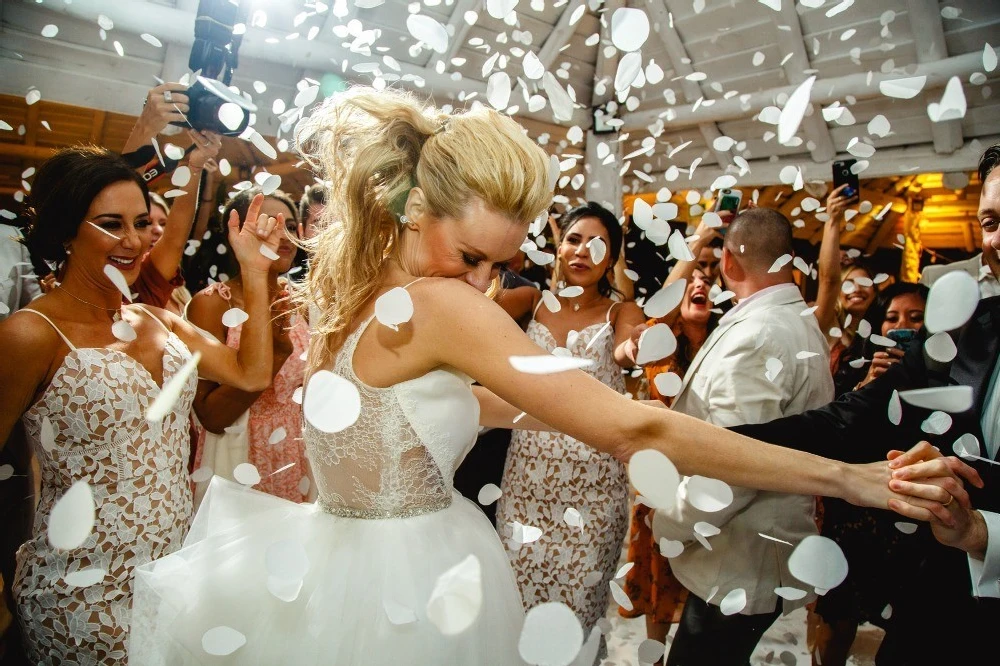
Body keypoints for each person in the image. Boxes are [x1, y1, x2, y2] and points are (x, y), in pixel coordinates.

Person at [127, 88, 965, 666]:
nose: (484, 283)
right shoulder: (436, 305)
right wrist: (850, 477)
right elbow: (636, 431)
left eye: (498, 263)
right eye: (471, 256)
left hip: (336, 557)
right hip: (410, 577)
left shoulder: (358, 293)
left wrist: (565, 407)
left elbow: (446, 411)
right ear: (417, 212)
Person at [0, 145, 284, 665]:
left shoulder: (158, 320)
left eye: (138, 222)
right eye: (111, 224)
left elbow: (252, 373)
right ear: (66, 230)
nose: (133, 241)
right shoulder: (31, 333)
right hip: (80, 587)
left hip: (169, 579)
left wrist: (256, 271)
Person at [731, 143, 1000, 665]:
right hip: (935, 613)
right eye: (991, 221)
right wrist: (709, 441)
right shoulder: (974, 330)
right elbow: (846, 422)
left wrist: (983, 533)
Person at [651, 208, 834, 666]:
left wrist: (668, 523)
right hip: (753, 547)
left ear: (729, 263)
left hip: (738, 557)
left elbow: (736, 466)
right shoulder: (794, 319)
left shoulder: (759, 334)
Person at [494, 201, 646, 652]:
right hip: (525, 487)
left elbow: (625, 353)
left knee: (576, 615)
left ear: (611, 257)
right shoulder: (528, 302)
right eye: (574, 239)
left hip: (594, 496)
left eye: (597, 243)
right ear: (559, 249)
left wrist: (637, 350)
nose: (582, 250)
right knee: (514, 611)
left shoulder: (621, 314)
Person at [809, 282, 929, 666]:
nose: (900, 327)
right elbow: (835, 437)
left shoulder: (948, 376)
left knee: (906, 627)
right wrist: (868, 387)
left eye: (915, 318)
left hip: (910, 517)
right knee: (838, 624)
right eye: (891, 318)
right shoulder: (856, 367)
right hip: (854, 517)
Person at [187, 188, 312, 504]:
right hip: (239, 456)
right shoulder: (211, 305)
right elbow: (210, 417)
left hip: (296, 451)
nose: (283, 236)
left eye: (290, 226)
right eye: (269, 223)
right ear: (236, 232)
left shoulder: (302, 301)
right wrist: (278, 353)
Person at [620, 266, 719, 664]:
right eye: (690, 283)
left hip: (713, 478)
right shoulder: (661, 344)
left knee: (705, 578)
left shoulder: (725, 344)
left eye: (708, 283)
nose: (700, 286)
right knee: (659, 578)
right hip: (663, 479)